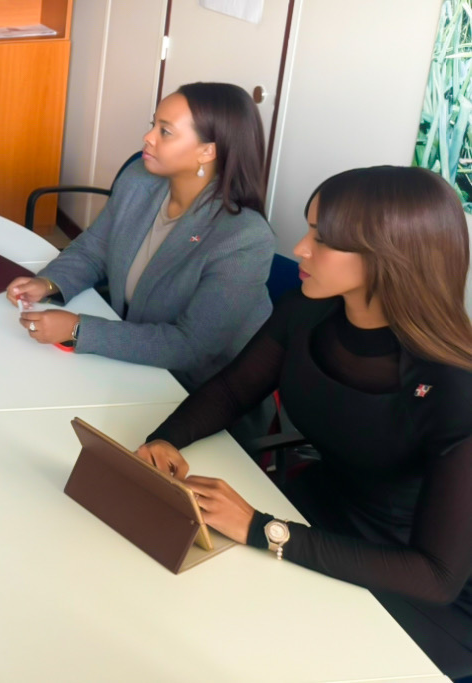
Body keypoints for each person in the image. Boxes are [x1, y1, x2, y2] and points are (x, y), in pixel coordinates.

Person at [136, 166, 472, 678]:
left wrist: (261, 529)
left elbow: (437, 575)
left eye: (322, 238)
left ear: (389, 257)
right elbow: (232, 390)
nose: (299, 249)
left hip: (412, 579)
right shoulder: (308, 312)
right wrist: (166, 439)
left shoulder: (454, 388)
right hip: (319, 511)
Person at [7, 82, 275, 392]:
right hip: (130, 360)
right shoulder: (139, 180)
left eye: (165, 131)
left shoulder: (244, 238)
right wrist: (48, 283)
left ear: (207, 151)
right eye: (153, 125)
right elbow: (95, 248)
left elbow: (192, 346)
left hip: (198, 390)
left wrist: (78, 329)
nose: (148, 137)